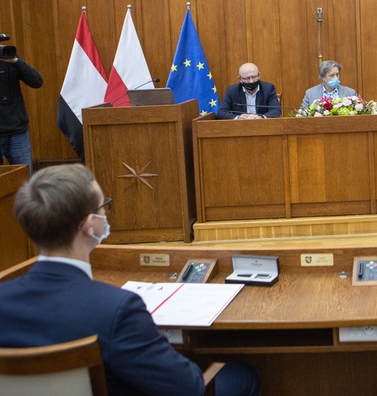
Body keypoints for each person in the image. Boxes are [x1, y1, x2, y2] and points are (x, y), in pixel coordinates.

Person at [0, 164, 260, 396]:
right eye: (105, 206)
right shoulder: (118, 310)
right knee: (240, 375)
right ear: (91, 225)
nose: (107, 213)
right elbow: (188, 388)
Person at [0, 49, 43, 173]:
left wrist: (15, 61)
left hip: (17, 132)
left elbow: (37, 82)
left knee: (24, 179)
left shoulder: (8, 58)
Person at [216, 62, 281, 119]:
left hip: (263, 127)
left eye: (254, 77)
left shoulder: (268, 89)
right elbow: (221, 113)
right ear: (240, 79)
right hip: (240, 128)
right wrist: (238, 118)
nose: (251, 81)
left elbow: (276, 111)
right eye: (247, 78)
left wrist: (261, 117)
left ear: (259, 75)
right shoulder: (232, 91)